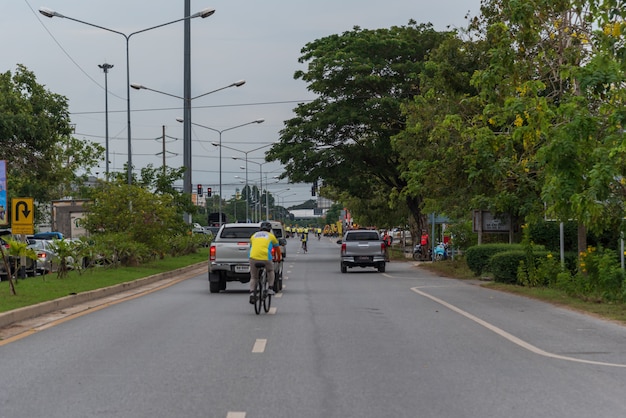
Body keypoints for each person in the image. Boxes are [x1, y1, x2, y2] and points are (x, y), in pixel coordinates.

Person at [248, 221, 281, 304]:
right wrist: (278, 259)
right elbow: (277, 249)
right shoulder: (271, 236)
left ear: (260, 229)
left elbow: (251, 247)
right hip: (266, 257)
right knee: (270, 271)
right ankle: (270, 288)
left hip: (253, 257)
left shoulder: (254, 235)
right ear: (269, 230)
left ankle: (252, 293)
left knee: (254, 277)